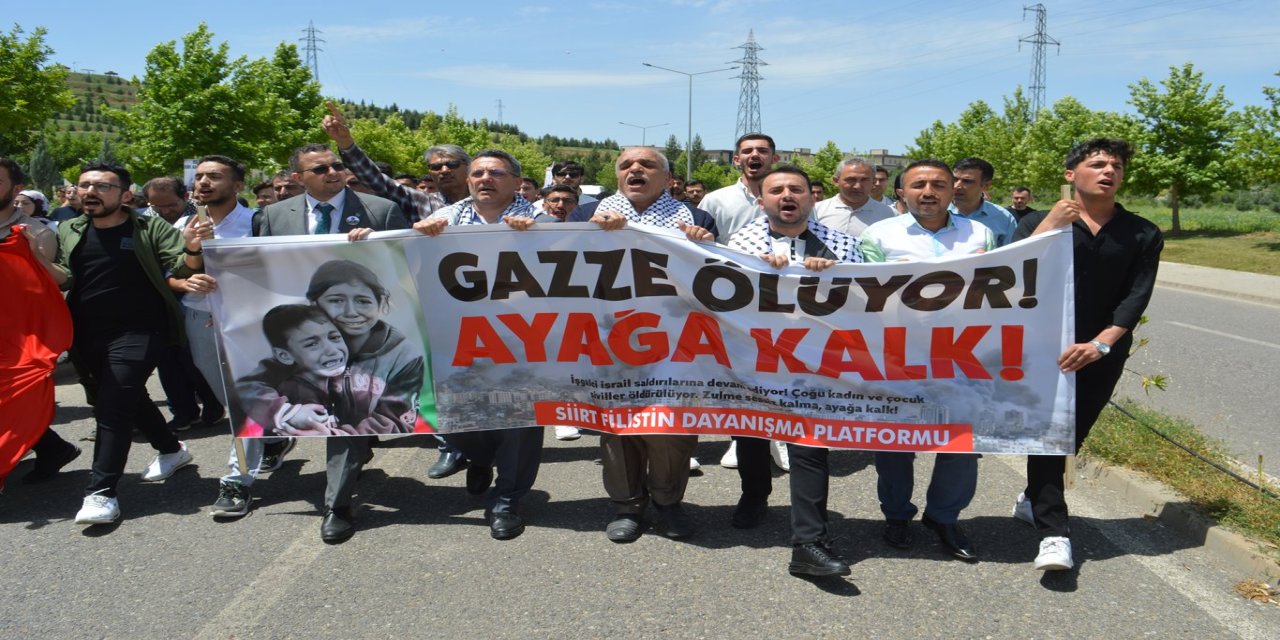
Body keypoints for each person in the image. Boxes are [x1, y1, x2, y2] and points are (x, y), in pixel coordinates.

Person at [35, 162, 213, 525]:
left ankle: (101, 491)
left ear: (126, 195)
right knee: (128, 397)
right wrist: (33, 257)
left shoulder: (149, 227)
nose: (90, 192)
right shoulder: (70, 228)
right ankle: (171, 449)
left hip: (141, 331)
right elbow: (65, 277)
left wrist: (192, 248)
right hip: (86, 333)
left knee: (112, 405)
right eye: (85, 185)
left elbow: (181, 266)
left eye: (102, 186)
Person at [1013, 138, 1162, 571]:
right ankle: (1054, 533)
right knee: (1053, 435)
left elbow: (1136, 295)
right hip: (1044, 347)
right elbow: (1012, 271)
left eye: (1116, 166)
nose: (1108, 171)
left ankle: (1033, 498)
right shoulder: (1039, 221)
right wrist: (1051, 225)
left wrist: (1102, 343)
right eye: (1097, 164)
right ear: (1070, 174)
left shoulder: (1142, 232)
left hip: (1101, 349)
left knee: (1074, 433)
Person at [251, 143, 410, 543]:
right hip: (308, 332)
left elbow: (404, 267)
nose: (333, 172)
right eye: (320, 169)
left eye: (337, 165)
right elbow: (260, 270)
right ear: (297, 178)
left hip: (362, 330)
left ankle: (337, 506)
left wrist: (377, 247)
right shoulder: (273, 215)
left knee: (348, 413)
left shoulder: (380, 210)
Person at [567, 147, 715, 543]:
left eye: (647, 165)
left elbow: (715, 277)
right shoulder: (585, 216)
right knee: (618, 426)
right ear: (617, 176)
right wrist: (588, 235)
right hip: (609, 339)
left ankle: (668, 502)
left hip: (675, 341)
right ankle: (627, 505)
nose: (635, 169)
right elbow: (562, 269)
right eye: (626, 165)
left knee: (671, 427)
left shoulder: (696, 218)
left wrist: (706, 244)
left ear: (667, 179)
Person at [726, 166, 862, 577]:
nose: (787, 195)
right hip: (755, 358)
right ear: (761, 200)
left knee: (810, 446)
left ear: (811, 197)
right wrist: (758, 271)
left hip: (814, 363)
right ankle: (754, 495)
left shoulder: (843, 244)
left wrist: (834, 273)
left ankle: (809, 542)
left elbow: (865, 304)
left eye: (796, 189)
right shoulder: (739, 244)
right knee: (751, 433)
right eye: (777, 189)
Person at [858, 159, 995, 561]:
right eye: (918, 185)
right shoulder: (879, 234)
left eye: (938, 184)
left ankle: (944, 517)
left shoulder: (980, 233)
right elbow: (862, 296)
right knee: (894, 442)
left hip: (963, 352)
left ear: (954, 190)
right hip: (898, 353)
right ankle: (896, 515)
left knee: (961, 440)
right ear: (902, 192)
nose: (929, 192)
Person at [413, 149, 543, 541]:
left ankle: (506, 501)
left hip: (523, 339)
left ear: (516, 182)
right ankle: (480, 456)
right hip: (459, 338)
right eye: (478, 173)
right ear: (468, 181)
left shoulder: (544, 221)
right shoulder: (442, 221)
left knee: (518, 423)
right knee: (456, 419)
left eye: (496, 173)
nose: (485, 179)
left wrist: (540, 237)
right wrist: (416, 239)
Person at [0, 158, 80, 484]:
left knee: (16, 398)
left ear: (16, 189)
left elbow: (43, 289)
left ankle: (48, 449)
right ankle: (53, 447)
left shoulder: (35, 232)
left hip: (18, 333)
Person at [698, 133, 780, 242]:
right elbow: (696, 241)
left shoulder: (789, 201)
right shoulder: (714, 200)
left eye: (762, 151)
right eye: (747, 151)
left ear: (774, 158)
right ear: (736, 160)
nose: (755, 154)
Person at [812, 157, 898, 237]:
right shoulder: (815, 211)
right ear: (836, 181)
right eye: (851, 180)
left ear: (873, 182)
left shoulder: (890, 215)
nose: (857, 186)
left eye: (864, 180)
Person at [950, 157, 1017, 247]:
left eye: (967, 181)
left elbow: (1011, 253)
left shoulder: (1004, 218)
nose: (957, 186)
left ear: (986, 185)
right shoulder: (935, 212)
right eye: (954, 179)